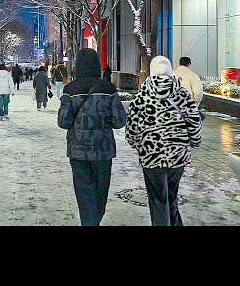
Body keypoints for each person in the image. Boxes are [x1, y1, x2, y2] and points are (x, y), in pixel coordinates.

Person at [125, 55, 202, 226]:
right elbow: (194, 123)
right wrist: (194, 142)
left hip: (151, 157)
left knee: (158, 199)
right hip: (178, 157)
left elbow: (131, 129)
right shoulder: (182, 95)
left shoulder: (141, 97)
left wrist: (137, 144)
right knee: (171, 195)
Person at [57, 48, 127, 226]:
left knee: (83, 192)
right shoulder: (108, 88)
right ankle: (94, 222)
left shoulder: (70, 89)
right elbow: (119, 121)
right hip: (103, 151)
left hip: (78, 151)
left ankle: (88, 223)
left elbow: (63, 121)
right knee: (100, 191)